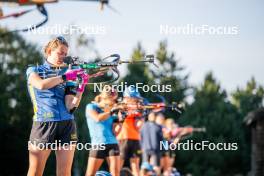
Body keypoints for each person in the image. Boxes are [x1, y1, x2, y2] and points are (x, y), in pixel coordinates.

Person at [26, 36, 87, 176]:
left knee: (65, 173)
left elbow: (71, 106)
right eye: (60, 52)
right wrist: (65, 77)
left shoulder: (67, 73)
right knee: (35, 172)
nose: (63, 57)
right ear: (49, 51)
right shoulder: (33, 70)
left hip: (67, 124)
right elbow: (41, 85)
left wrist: (81, 87)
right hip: (44, 124)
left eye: (65, 54)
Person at [85, 86, 123, 176]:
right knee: (90, 174)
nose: (114, 102)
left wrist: (121, 120)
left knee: (115, 174)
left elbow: (116, 132)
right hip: (98, 144)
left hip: (113, 144)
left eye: (114, 100)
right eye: (112, 100)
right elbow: (97, 118)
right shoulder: (91, 106)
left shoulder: (113, 111)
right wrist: (111, 112)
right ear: (104, 98)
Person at [116, 86, 144, 176]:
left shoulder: (138, 109)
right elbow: (119, 119)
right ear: (127, 98)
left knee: (135, 166)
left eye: (136, 99)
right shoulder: (121, 107)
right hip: (122, 138)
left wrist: (142, 115)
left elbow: (138, 126)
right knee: (118, 165)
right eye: (134, 99)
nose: (136, 101)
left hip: (135, 138)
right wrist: (128, 111)